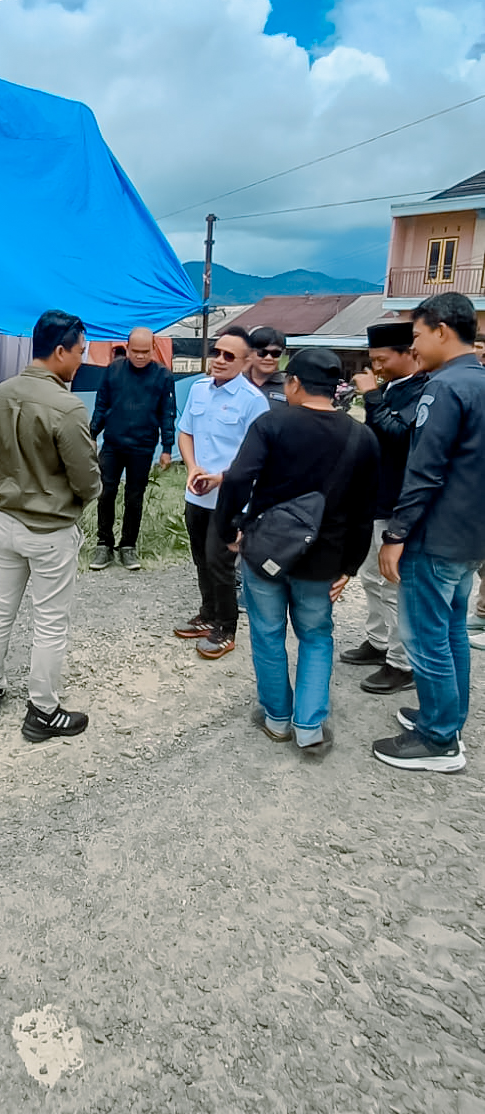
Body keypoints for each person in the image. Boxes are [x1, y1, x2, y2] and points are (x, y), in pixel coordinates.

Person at [217, 347, 379, 754]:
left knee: (268, 635)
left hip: (265, 552)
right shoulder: (362, 436)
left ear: (294, 383)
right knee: (316, 637)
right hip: (323, 558)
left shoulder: (271, 424)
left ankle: (276, 718)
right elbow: (365, 511)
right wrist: (352, 565)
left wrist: (229, 530)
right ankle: (309, 727)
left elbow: (237, 478)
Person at [0, 309, 101, 743]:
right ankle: (43, 711)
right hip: (49, 529)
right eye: (81, 351)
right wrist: (82, 497)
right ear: (61, 350)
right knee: (50, 621)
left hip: (4, 519)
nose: (82, 359)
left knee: (1, 606)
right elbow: (87, 479)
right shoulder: (67, 406)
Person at [374, 292, 485, 773]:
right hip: (469, 535)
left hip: (435, 535)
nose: (414, 345)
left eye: (417, 335)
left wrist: (395, 535)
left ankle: (440, 741)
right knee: (453, 631)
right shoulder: (480, 380)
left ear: (441, 329)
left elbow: (425, 470)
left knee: (426, 637)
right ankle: (447, 718)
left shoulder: (443, 389)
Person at [340, 323, 426, 694]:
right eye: (373, 360)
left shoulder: (422, 391)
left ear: (409, 354)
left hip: (397, 503)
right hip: (373, 499)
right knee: (372, 579)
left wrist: (372, 398)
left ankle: (402, 662)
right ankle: (378, 642)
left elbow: (399, 438)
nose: (375, 367)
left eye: (381, 359)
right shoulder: (392, 387)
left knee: (395, 586)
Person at [174, 328, 267, 659]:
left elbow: (258, 458)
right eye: (216, 352)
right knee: (201, 557)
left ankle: (225, 627)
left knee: (220, 561)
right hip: (196, 493)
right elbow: (185, 432)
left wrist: (222, 478)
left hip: (230, 498)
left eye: (230, 356)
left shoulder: (254, 402)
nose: (220, 360)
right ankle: (207, 614)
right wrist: (192, 468)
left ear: (245, 362)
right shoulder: (199, 389)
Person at [89, 327, 176, 571]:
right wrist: (93, 433)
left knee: (134, 497)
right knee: (106, 493)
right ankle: (104, 544)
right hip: (113, 444)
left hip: (143, 446)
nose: (140, 356)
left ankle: (128, 546)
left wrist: (167, 447)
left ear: (153, 349)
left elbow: (167, 413)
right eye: (135, 351)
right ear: (127, 349)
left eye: (145, 352)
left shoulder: (163, 377)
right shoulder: (113, 371)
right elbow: (102, 404)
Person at [246, 327, 288, 403]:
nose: (268, 358)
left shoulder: (289, 389)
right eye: (262, 353)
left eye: (275, 353)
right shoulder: (235, 382)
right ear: (249, 352)